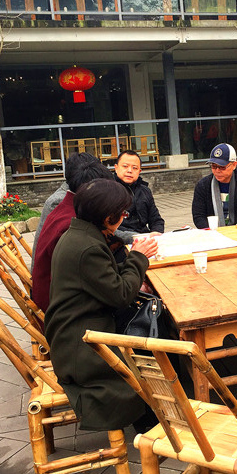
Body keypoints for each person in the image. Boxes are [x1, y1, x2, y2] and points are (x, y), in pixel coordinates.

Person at [44, 179, 158, 433]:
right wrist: (138, 258)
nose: (125, 217)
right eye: (123, 213)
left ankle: (152, 416)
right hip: (80, 345)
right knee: (150, 349)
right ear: (108, 218)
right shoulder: (87, 247)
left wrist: (132, 267)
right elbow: (121, 294)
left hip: (75, 328)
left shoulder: (79, 234)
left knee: (150, 330)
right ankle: (151, 425)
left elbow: (106, 276)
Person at [32, 155, 114, 312]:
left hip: (60, 292)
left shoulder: (69, 206)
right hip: (62, 308)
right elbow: (115, 292)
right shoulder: (71, 221)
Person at [114, 150, 164, 235]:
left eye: (135, 168)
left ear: (139, 171)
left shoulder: (145, 191)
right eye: (125, 166)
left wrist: (156, 232)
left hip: (145, 236)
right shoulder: (107, 190)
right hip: (119, 238)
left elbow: (156, 219)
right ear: (116, 168)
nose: (130, 170)